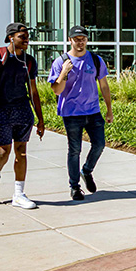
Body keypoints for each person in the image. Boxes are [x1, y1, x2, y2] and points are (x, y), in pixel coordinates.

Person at [0, 22, 46, 209]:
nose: (26, 39)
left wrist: (40, 120)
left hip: (23, 109)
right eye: (22, 36)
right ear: (11, 37)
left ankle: (19, 194)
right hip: (1, 109)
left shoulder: (29, 61)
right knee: (4, 152)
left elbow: (33, 91)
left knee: (22, 151)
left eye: (27, 36)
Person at [48, 26, 113, 201]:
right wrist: (63, 72)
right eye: (76, 38)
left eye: (83, 38)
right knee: (74, 150)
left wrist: (109, 109)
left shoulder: (95, 60)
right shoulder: (61, 61)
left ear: (86, 40)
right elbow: (56, 90)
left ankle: (87, 171)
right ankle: (75, 187)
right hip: (71, 114)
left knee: (99, 144)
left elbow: (104, 86)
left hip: (93, 112)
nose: (80, 41)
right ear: (70, 40)